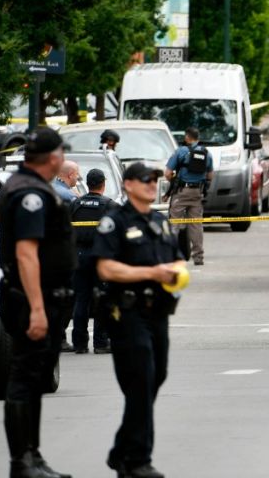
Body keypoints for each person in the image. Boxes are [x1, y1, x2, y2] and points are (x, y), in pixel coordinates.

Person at [93, 162, 184, 478]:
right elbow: (105, 268)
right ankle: (137, 459)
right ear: (128, 184)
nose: (151, 185)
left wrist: (177, 273)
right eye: (145, 180)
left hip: (158, 311)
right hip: (127, 312)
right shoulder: (115, 221)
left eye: (155, 180)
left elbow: (176, 259)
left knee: (156, 377)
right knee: (141, 380)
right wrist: (152, 273)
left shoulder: (161, 222)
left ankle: (121, 450)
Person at [0, 126, 75, 478]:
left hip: (31, 294)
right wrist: (38, 308)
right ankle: (22, 462)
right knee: (25, 378)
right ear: (53, 158)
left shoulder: (17, 183)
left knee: (35, 378)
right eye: (61, 153)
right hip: (31, 297)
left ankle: (33, 456)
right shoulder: (32, 194)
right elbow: (27, 255)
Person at [70, 168, 117, 355]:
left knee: (81, 299)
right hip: (100, 257)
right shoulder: (110, 205)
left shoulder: (75, 204)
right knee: (102, 299)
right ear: (103, 184)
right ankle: (101, 343)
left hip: (79, 256)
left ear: (87, 184)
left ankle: (79, 344)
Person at [164, 127, 214, 266]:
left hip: (181, 192)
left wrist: (173, 182)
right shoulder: (207, 153)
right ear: (198, 137)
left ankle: (171, 256)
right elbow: (210, 175)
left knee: (174, 224)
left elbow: (167, 173)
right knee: (196, 225)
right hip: (197, 193)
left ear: (187, 137)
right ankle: (198, 257)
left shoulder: (181, 152)